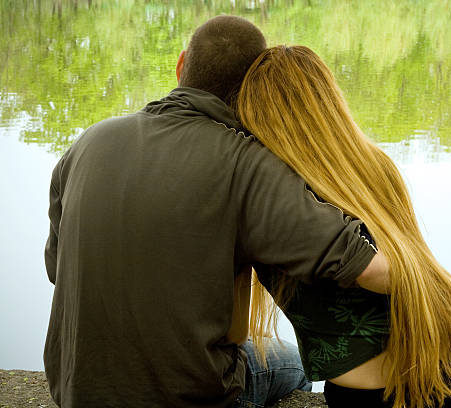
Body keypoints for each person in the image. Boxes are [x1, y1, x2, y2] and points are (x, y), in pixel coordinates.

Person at [43, 17, 389, 408]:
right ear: (254, 89)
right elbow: (370, 269)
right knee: (291, 364)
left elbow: (58, 270)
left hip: (76, 394)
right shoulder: (247, 163)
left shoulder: (87, 143)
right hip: (191, 398)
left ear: (181, 65)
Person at [236, 45, 451, 408]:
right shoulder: (375, 167)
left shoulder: (260, 202)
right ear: (327, 100)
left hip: (355, 397)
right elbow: (414, 277)